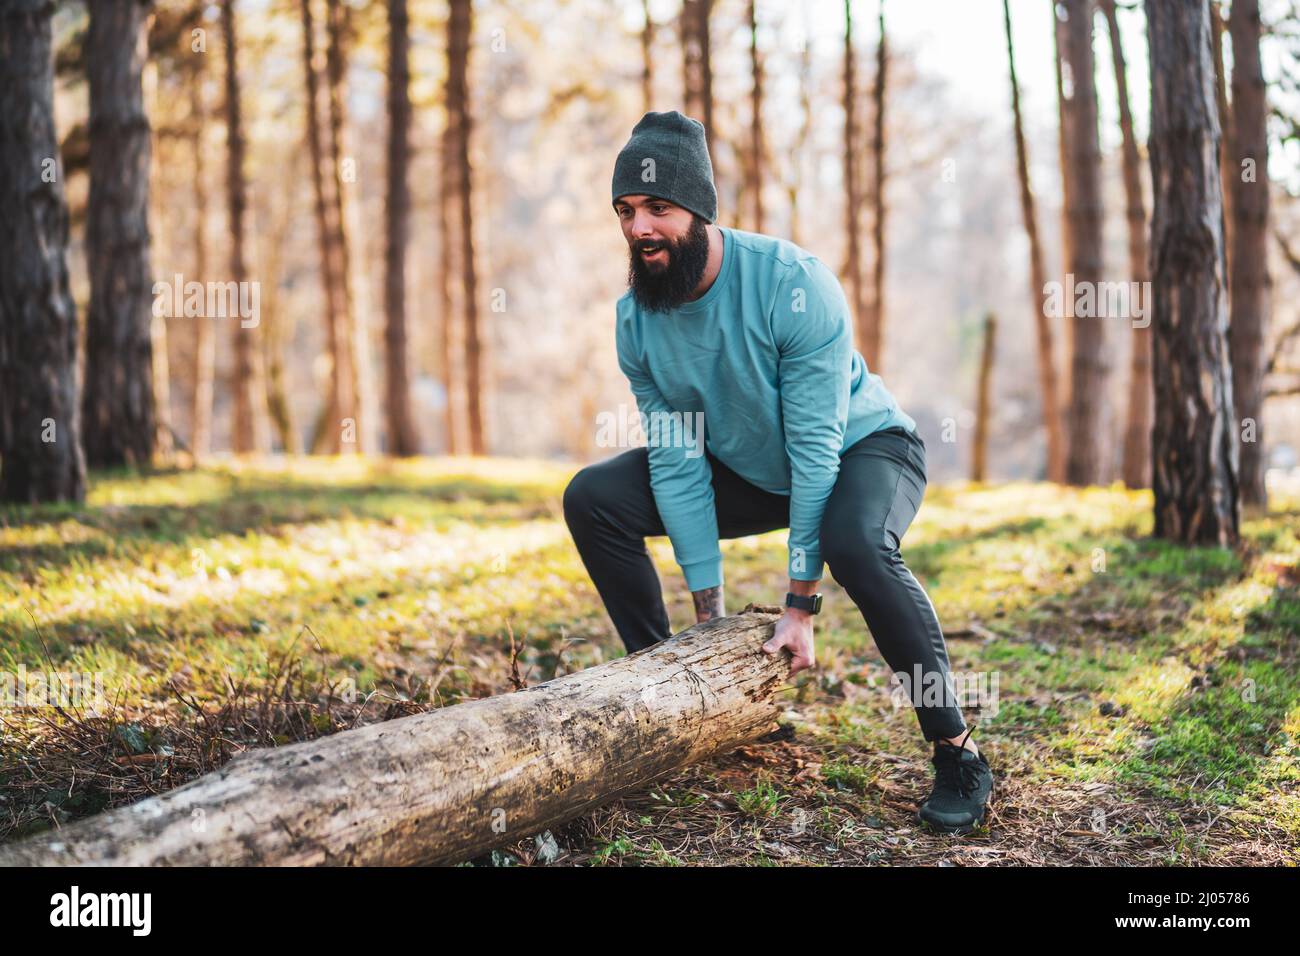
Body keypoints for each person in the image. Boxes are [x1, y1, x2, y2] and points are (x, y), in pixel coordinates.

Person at [562, 110, 993, 834]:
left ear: (699, 211)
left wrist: (800, 605)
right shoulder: (637, 320)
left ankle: (958, 750)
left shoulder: (794, 284)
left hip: (864, 448)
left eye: (658, 208)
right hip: (753, 468)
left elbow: (818, 449)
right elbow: (678, 465)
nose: (639, 228)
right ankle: (673, 687)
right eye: (626, 211)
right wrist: (709, 619)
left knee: (855, 545)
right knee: (594, 497)